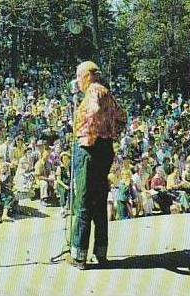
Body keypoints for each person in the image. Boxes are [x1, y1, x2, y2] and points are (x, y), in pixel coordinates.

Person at [67, 61, 126, 270]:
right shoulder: (107, 93)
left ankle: (78, 254)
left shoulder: (93, 91)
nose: (78, 82)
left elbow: (92, 114)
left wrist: (89, 137)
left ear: (87, 76)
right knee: (100, 202)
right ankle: (101, 251)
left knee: (83, 202)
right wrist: (111, 135)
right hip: (105, 149)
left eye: (79, 76)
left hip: (89, 151)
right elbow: (122, 117)